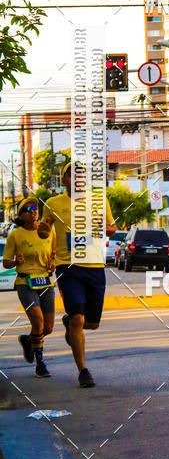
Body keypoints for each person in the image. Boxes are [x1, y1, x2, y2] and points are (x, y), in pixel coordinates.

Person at [38, 162, 116, 388]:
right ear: (64, 180)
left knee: (91, 323)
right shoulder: (53, 203)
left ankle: (69, 324)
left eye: (81, 176)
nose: (77, 179)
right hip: (68, 266)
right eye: (72, 175)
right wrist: (43, 231)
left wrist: (107, 228)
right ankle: (83, 371)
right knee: (78, 319)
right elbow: (44, 230)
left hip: (95, 266)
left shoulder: (100, 200)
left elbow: (112, 228)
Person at [3, 197, 56, 378]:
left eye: (34, 207)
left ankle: (28, 340)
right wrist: (15, 262)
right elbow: (6, 262)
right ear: (21, 216)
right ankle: (40, 364)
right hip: (25, 282)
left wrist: (53, 262)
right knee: (38, 322)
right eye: (27, 209)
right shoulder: (15, 235)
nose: (33, 210)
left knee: (48, 328)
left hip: (46, 281)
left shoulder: (48, 230)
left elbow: (54, 253)